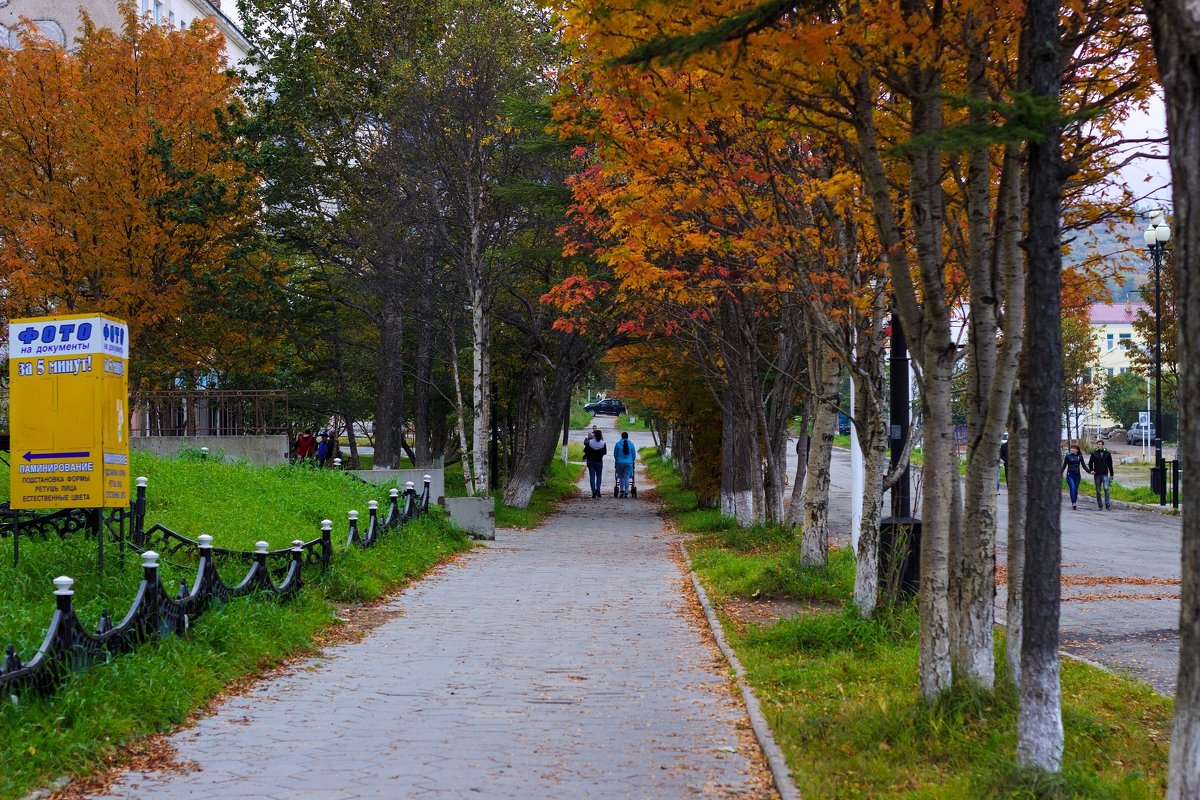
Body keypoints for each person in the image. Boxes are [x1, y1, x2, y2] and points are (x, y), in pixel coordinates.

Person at [1087, 439, 1115, 510]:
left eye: (1099, 444)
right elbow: (1090, 463)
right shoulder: (1094, 453)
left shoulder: (1107, 453)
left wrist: (1111, 474)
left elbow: (1110, 464)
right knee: (1098, 490)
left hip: (1105, 473)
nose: (1098, 445)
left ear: (1102, 445)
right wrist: (1091, 470)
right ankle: (1100, 504)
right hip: (1097, 474)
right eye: (1097, 444)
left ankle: (1108, 504)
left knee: (1106, 488)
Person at [1061, 444, 1090, 510]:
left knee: (1076, 490)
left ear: (1077, 450)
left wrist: (1090, 471)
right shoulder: (1068, 456)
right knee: (1072, 488)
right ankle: (1073, 503)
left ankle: (1074, 502)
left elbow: (1084, 466)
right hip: (1070, 475)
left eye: (1074, 448)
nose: (1072, 449)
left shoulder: (1080, 456)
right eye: (1071, 448)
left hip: (1077, 475)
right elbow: (1064, 466)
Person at [584, 427, 607, 498]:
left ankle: (593, 491)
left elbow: (586, 450)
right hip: (599, 462)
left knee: (592, 477)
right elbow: (604, 452)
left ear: (594, 435)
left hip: (590, 461)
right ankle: (598, 490)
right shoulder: (603, 443)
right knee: (599, 476)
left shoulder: (590, 442)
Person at [613, 431, 637, 498]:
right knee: (626, 477)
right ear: (627, 437)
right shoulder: (631, 444)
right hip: (629, 463)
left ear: (621, 436)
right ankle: (626, 492)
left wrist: (618, 460)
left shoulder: (617, 444)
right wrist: (631, 461)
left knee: (621, 477)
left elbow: (615, 454)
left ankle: (622, 491)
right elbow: (634, 455)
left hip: (620, 463)